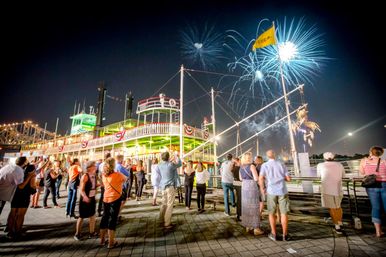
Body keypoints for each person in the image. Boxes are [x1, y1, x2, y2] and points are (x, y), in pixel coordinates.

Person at [259, 150, 291, 241]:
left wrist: (262, 189)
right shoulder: (281, 164)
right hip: (282, 191)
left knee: (271, 213)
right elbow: (288, 179)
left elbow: (261, 178)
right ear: (275, 155)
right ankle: (285, 235)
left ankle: (274, 234)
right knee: (284, 213)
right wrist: (282, 177)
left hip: (271, 191)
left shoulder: (264, 165)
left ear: (267, 156)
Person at [99, 157, 127, 249]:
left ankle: (102, 241)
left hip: (105, 199)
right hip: (115, 199)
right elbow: (126, 178)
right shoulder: (117, 175)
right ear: (113, 165)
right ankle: (111, 243)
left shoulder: (103, 175)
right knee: (112, 220)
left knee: (104, 218)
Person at [359, 146, 386, 238]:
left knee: (376, 207)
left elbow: (362, 172)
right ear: (381, 153)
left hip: (371, 186)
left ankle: (378, 232)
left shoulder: (364, 161)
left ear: (371, 152)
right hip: (384, 185)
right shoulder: (384, 162)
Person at [317, 152, 345, 234]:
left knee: (332, 208)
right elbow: (343, 176)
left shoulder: (320, 165)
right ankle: (339, 222)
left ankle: (337, 226)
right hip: (338, 189)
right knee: (338, 207)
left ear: (324, 158)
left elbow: (318, 176)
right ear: (334, 157)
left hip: (327, 189)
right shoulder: (340, 165)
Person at [6, 164, 36, 239]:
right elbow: (28, 187)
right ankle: (17, 231)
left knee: (13, 214)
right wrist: (32, 181)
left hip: (15, 195)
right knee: (20, 215)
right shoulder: (30, 176)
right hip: (24, 197)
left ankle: (10, 232)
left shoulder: (20, 173)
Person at [239, 152, 264, 236]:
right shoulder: (252, 166)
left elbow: (240, 178)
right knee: (254, 206)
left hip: (244, 187)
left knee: (246, 206)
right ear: (249, 158)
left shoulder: (241, 167)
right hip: (251, 186)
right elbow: (256, 178)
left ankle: (248, 226)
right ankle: (256, 228)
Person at [74, 161, 98, 241]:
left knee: (92, 215)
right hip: (85, 199)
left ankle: (92, 232)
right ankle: (77, 234)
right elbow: (81, 189)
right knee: (81, 216)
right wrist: (85, 197)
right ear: (89, 167)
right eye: (94, 165)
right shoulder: (85, 176)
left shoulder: (94, 175)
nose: (96, 166)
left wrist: (99, 184)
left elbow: (94, 185)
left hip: (92, 197)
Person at [158, 151, 182, 229]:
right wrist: (176, 156)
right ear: (168, 157)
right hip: (170, 187)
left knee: (163, 203)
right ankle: (167, 223)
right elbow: (179, 164)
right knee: (170, 204)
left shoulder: (160, 165)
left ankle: (161, 220)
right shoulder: (170, 165)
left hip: (163, 187)